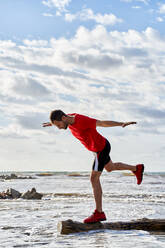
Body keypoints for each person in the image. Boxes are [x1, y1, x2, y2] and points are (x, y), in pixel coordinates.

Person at [42, 110, 144, 224]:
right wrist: (52, 123)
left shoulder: (82, 120)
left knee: (94, 178)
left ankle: (99, 212)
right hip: (100, 147)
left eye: (58, 125)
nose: (59, 128)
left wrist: (121, 123)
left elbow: (102, 123)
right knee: (110, 168)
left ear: (63, 118)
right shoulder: (68, 119)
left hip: (100, 148)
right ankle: (136, 168)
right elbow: (62, 118)